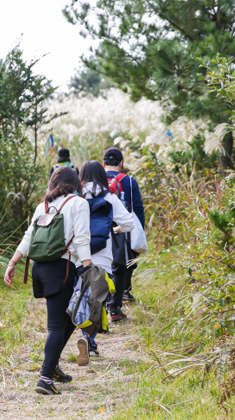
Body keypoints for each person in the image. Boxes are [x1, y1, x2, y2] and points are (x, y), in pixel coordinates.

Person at [5, 167, 92, 395]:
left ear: (54, 182)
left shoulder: (42, 206)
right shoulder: (78, 203)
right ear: (76, 183)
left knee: (70, 319)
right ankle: (44, 377)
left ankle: (52, 368)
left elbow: (28, 236)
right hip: (62, 268)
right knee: (56, 325)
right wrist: (88, 267)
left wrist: (13, 263)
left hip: (41, 268)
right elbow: (82, 238)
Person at [75, 160, 134, 366]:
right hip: (102, 258)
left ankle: (84, 335)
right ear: (102, 175)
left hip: (77, 256)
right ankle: (89, 339)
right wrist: (112, 229)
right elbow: (129, 223)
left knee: (80, 297)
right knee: (97, 300)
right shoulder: (109, 197)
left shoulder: (76, 195)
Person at [103, 147, 145, 322]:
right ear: (121, 164)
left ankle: (101, 304)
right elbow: (138, 210)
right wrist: (139, 234)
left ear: (103, 163)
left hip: (100, 229)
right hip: (123, 230)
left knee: (101, 266)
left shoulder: (94, 181)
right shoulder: (129, 182)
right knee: (120, 269)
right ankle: (115, 309)